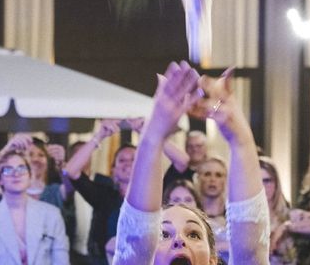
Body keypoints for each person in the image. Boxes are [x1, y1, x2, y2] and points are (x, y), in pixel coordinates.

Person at [113, 61, 270, 265]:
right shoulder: (139, 251)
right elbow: (135, 242)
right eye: (163, 234)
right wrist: (153, 136)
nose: (179, 241)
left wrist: (241, 140)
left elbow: (250, 252)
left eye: (194, 234)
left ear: (213, 260)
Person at [0, 150, 69, 265]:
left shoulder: (51, 215)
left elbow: (61, 261)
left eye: (21, 168)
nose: (16, 174)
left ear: (29, 176)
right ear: (0, 179)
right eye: (8, 170)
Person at [64, 119, 135, 265]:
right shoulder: (104, 196)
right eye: (122, 160)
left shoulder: (155, 197)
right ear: (113, 170)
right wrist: (99, 136)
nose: (128, 163)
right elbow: (71, 170)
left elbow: (182, 163)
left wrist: (148, 133)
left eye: (134, 159)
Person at [258, 157, 296, 265]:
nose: (263, 186)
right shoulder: (242, 220)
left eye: (267, 181)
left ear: (276, 183)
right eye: (258, 181)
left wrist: (285, 226)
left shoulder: (288, 215)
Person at [196, 156, 229, 262]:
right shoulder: (191, 212)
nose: (212, 179)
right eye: (207, 174)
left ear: (225, 180)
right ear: (199, 178)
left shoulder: (234, 213)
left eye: (218, 175)